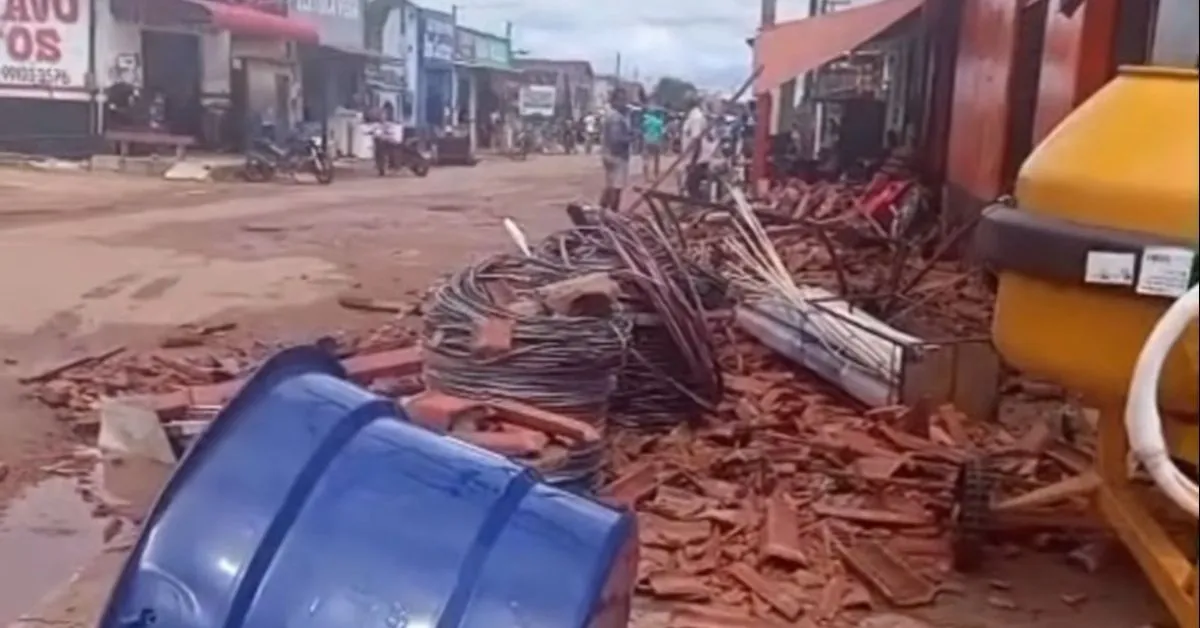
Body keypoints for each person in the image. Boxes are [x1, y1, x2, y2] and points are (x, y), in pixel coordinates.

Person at [599, 87, 633, 210]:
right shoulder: (616, 117)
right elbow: (616, 139)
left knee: (610, 185)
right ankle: (612, 212)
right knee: (616, 188)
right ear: (615, 100)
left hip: (608, 154)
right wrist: (631, 138)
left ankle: (601, 210)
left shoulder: (609, 114)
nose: (624, 103)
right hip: (617, 155)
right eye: (622, 100)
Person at [681, 96, 714, 200]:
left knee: (692, 187)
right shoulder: (694, 117)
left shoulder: (696, 118)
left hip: (696, 159)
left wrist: (693, 162)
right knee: (691, 186)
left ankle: (698, 207)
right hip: (694, 158)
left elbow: (697, 140)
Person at [641, 106, 665, 179]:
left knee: (646, 158)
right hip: (656, 141)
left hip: (647, 141)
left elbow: (643, 130)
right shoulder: (659, 122)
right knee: (656, 159)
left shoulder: (646, 121)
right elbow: (662, 132)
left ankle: (646, 176)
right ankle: (656, 175)